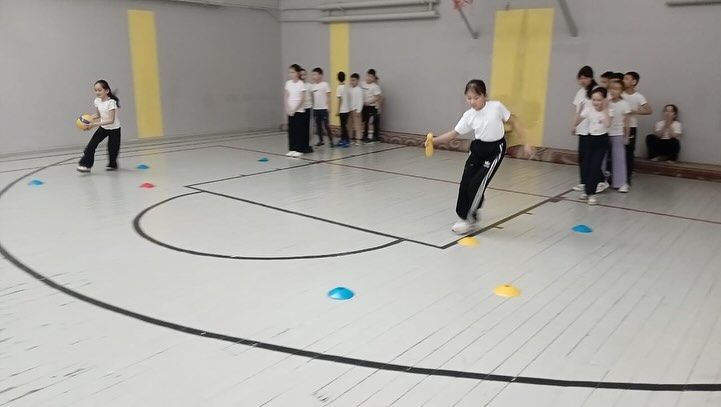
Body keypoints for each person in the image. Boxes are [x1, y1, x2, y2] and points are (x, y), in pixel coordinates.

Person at [428, 79, 533, 234]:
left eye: (476, 98)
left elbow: (514, 121)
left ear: (485, 95)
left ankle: (470, 219)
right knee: (466, 183)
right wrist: (433, 141)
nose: (472, 101)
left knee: (477, 183)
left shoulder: (496, 107)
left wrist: (526, 143)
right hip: (478, 148)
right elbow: (453, 134)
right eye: (469, 98)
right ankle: (463, 216)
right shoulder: (468, 115)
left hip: (495, 149)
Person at [574, 87, 612, 205]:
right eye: (594, 100)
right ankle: (586, 191)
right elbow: (579, 119)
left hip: (602, 141)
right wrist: (574, 125)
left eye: (599, 100)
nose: (596, 102)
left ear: (604, 100)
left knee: (595, 167)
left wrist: (605, 109)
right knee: (587, 166)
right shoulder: (588, 110)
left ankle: (592, 194)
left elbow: (608, 124)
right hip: (590, 140)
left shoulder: (608, 111)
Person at [76, 80, 121, 173]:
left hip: (114, 129)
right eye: (95, 90)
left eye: (99, 90)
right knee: (91, 146)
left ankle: (113, 165)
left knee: (112, 150)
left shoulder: (111, 103)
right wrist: (86, 119)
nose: (97, 92)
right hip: (103, 128)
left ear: (107, 91)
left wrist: (94, 125)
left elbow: (111, 120)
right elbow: (98, 115)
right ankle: (86, 165)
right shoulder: (97, 101)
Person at [622, 71, 653, 183]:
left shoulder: (638, 96)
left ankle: (627, 178)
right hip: (618, 127)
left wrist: (634, 111)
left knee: (629, 152)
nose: (623, 81)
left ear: (634, 81)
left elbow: (649, 110)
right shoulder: (620, 94)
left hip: (631, 127)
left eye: (626, 78)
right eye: (623, 78)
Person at [607, 80, 631, 192]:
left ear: (621, 91)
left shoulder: (624, 104)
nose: (613, 91)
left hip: (618, 133)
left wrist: (627, 136)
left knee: (619, 158)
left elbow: (627, 122)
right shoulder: (606, 102)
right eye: (611, 88)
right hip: (604, 133)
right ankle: (599, 181)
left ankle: (621, 183)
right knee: (602, 158)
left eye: (617, 89)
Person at [284, 64, 305, 157]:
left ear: (297, 73)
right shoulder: (288, 83)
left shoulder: (301, 84)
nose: (290, 74)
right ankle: (292, 148)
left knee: (298, 130)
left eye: (292, 72)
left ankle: (299, 149)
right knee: (291, 130)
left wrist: (294, 109)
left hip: (298, 111)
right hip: (290, 111)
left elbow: (302, 99)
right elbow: (286, 96)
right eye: (289, 72)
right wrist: (288, 108)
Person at [311, 67, 332, 147]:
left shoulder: (325, 84)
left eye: (315, 74)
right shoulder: (313, 86)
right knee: (318, 125)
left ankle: (331, 141)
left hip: (324, 109)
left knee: (326, 125)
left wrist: (329, 107)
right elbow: (313, 98)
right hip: (316, 109)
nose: (313, 76)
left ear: (320, 75)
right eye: (313, 75)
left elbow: (328, 96)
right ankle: (321, 140)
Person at [361, 69, 382, 144]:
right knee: (365, 121)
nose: (369, 78)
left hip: (372, 107)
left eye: (371, 77)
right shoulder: (363, 84)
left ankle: (374, 137)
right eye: (368, 76)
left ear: (373, 78)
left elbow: (377, 97)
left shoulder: (375, 87)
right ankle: (365, 136)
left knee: (371, 122)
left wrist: (369, 102)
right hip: (364, 106)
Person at [335, 71, 351, 147]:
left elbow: (340, 100)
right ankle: (343, 139)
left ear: (337, 78)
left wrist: (338, 111)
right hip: (347, 110)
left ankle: (346, 141)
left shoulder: (339, 88)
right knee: (344, 126)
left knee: (343, 126)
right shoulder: (346, 87)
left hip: (342, 110)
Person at [348, 73, 364, 146]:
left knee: (358, 126)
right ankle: (351, 139)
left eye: (353, 80)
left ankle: (358, 140)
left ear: (357, 81)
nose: (352, 82)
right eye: (351, 80)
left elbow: (361, 101)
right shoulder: (349, 89)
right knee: (350, 125)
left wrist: (358, 111)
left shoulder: (359, 90)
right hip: (350, 110)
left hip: (356, 110)